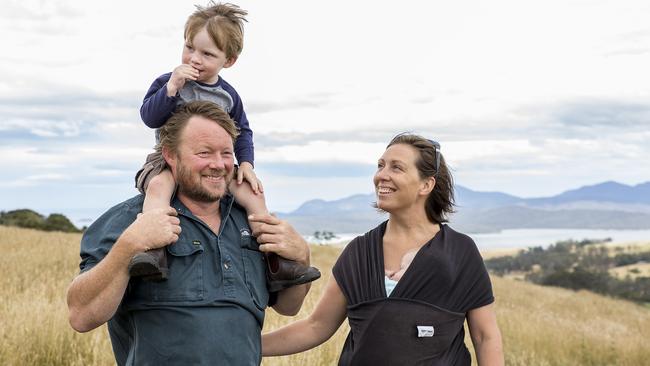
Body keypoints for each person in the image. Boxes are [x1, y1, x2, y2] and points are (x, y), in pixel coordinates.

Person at [66, 101, 312, 365]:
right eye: (205, 153)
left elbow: (289, 307)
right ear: (170, 155)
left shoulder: (252, 223)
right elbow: (81, 316)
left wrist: (302, 257)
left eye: (226, 153)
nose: (219, 164)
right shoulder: (129, 220)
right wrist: (130, 245)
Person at [262, 133, 504, 365]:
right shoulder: (359, 252)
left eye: (396, 167)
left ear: (426, 184)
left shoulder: (460, 252)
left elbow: (485, 336)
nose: (381, 176)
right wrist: (244, 344)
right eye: (380, 165)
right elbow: (316, 326)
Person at [131, 1, 320, 290]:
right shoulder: (168, 81)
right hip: (168, 159)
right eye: (189, 48)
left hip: (219, 163)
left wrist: (245, 164)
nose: (194, 58)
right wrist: (171, 89)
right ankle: (153, 252)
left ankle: (276, 261)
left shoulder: (228, 96)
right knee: (157, 188)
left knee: (253, 194)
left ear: (228, 61)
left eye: (207, 54)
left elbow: (243, 131)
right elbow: (149, 117)